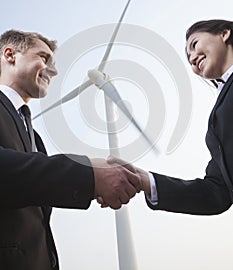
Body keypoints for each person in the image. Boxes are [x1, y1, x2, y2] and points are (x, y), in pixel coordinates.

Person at [0, 29, 141, 270]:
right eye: (44, 58)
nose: (53, 71)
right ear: (10, 55)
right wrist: (87, 174)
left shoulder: (35, 138)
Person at [104, 19, 233, 215]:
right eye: (188, 56)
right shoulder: (216, 122)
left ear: (224, 34)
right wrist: (146, 180)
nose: (192, 58)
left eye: (194, 44)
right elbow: (216, 194)